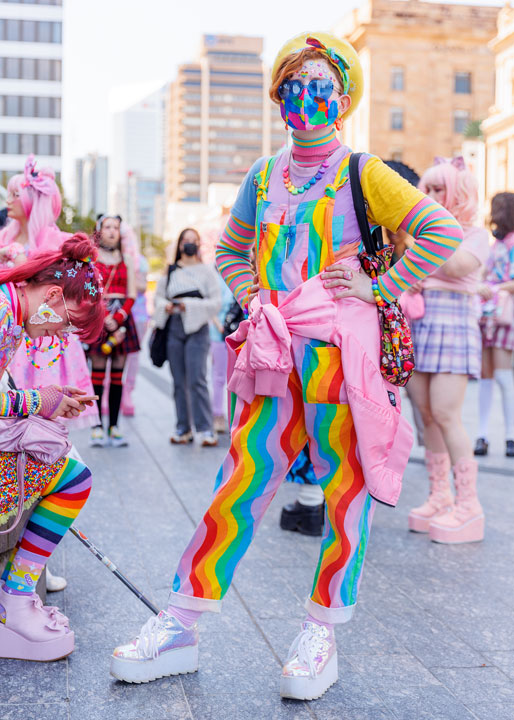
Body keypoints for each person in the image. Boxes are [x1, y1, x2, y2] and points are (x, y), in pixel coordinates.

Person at [111, 32, 462, 700]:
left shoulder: (364, 171)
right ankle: (182, 621)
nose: (307, 96)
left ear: (343, 97)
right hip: (273, 356)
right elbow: (233, 249)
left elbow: (439, 231)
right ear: (278, 97)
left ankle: (321, 630)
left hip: (336, 357)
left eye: (321, 84)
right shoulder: (264, 174)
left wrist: (377, 288)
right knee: (240, 481)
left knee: (344, 490)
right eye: (295, 84)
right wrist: (254, 301)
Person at [0, 233, 103, 662]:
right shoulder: (4, 313)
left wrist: (48, 397)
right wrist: (40, 401)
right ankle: (15, 599)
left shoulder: (10, 309)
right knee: (75, 478)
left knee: (69, 466)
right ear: (54, 294)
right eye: (67, 322)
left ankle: (17, 597)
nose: (60, 333)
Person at [407, 157, 489, 544]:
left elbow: (457, 267)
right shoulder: (424, 232)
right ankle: (440, 495)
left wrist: (420, 244)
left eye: (439, 189)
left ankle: (469, 504)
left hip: (454, 326)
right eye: (427, 189)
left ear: (459, 193)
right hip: (421, 325)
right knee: (426, 414)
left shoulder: (474, 234)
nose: (431, 195)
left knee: (445, 412)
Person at [3, 155, 99, 431]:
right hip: (20, 326)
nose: (9, 201)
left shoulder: (56, 240)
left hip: (37, 332)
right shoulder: (6, 239)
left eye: (15, 195)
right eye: (9, 195)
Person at [153, 228, 221, 447]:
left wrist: (188, 305)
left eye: (194, 241)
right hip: (174, 326)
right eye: (186, 240)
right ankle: (183, 428)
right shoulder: (170, 271)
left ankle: (206, 429)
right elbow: (158, 299)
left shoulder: (207, 271)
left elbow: (215, 303)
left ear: (199, 244)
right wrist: (170, 307)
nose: (189, 244)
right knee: (178, 381)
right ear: (180, 244)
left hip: (198, 327)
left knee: (197, 380)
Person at [88, 215, 139, 448]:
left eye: (116, 227)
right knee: (97, 374)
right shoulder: (92, 259)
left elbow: (131, 294)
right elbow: (87, 293)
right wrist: (104, 316)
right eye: (107, 227)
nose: (111, 231)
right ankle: (97, 426)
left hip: (122, 320)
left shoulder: (126, 259)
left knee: (118, 375)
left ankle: (115, 427)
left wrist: (118, 318)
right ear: (99, 230)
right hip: (99, 318)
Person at [474, 192, 514, 458]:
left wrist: (494, 287)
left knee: (501, 375)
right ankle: (483, 434)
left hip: (504, 314)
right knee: (486, 376)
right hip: (488, 314)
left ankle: (510, 436)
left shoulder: (509, 244)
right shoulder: (495, 244)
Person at [210, 270, 236, 434]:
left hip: (236, 334)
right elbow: (211, 306)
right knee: (219, 376)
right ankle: (217, 415)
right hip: (219, 334)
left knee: (235, 378)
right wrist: (220, 327)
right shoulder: (215, 279)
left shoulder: (238, 274)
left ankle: (234, 417)